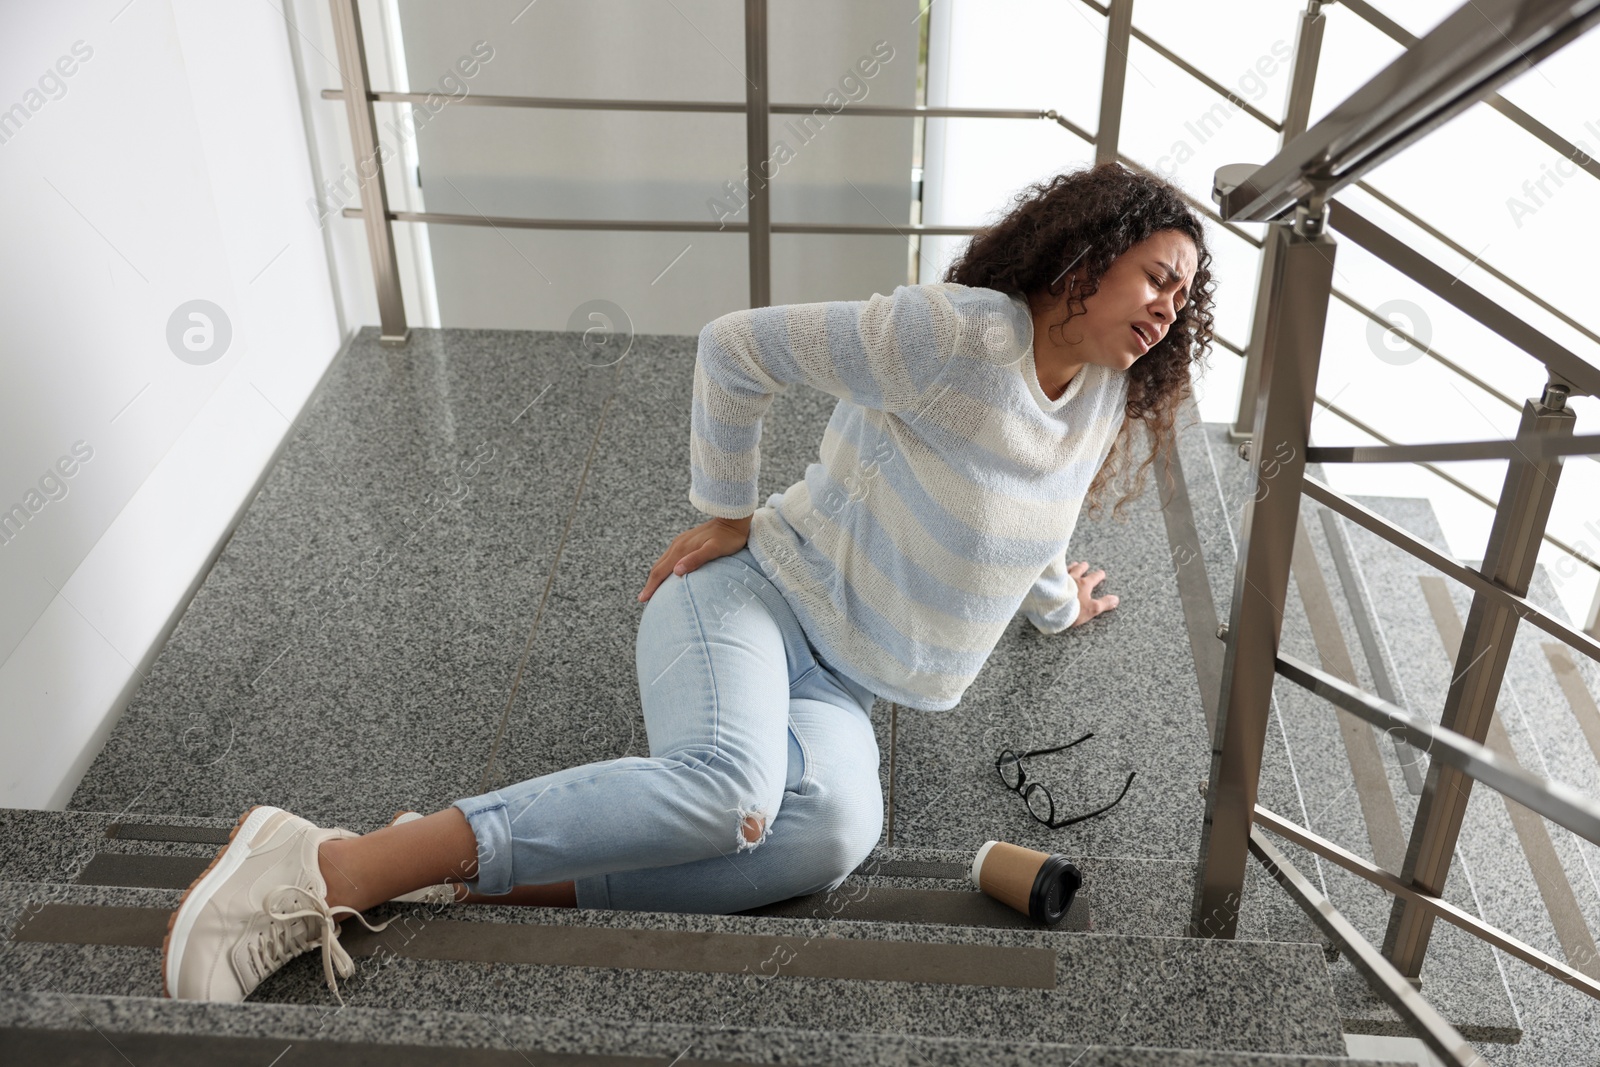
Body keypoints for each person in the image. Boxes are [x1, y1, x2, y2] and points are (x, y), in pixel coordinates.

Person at [161, 161, 1214, 1004]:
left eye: (1187, 292)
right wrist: (726, 508)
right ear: (1086, 253)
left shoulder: (1102, 396)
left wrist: (1057, 603)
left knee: (831, 838)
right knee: (730, 790)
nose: (1172, 305)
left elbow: (1038, 516)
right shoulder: (953, 338)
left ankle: (461, 868)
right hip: (746, 593)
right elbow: (736, 348)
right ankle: (330, 867)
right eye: (1159, 274)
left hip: (838, 678)